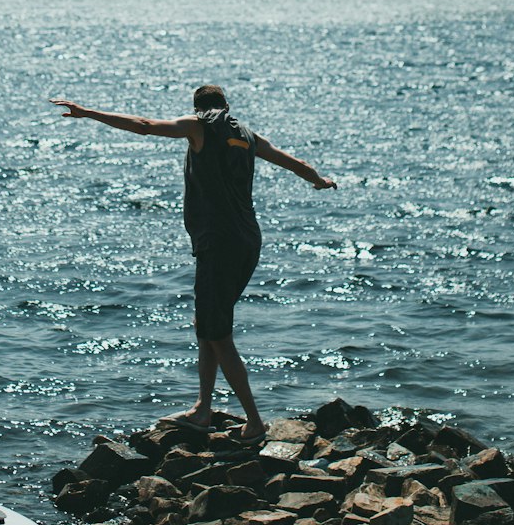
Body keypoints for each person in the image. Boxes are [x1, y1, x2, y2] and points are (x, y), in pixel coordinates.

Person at [50, 84, 336, 444]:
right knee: (208, 324)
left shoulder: (197, 126)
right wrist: (320, 182)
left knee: (218, 333)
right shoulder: (248, 136)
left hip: (219, 244)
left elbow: (144, 125)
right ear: (227, 106)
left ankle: (254, 422)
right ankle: (203, 409)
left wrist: (88, 112)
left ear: (197, 108)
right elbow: (297, 164)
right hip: (247, 240)